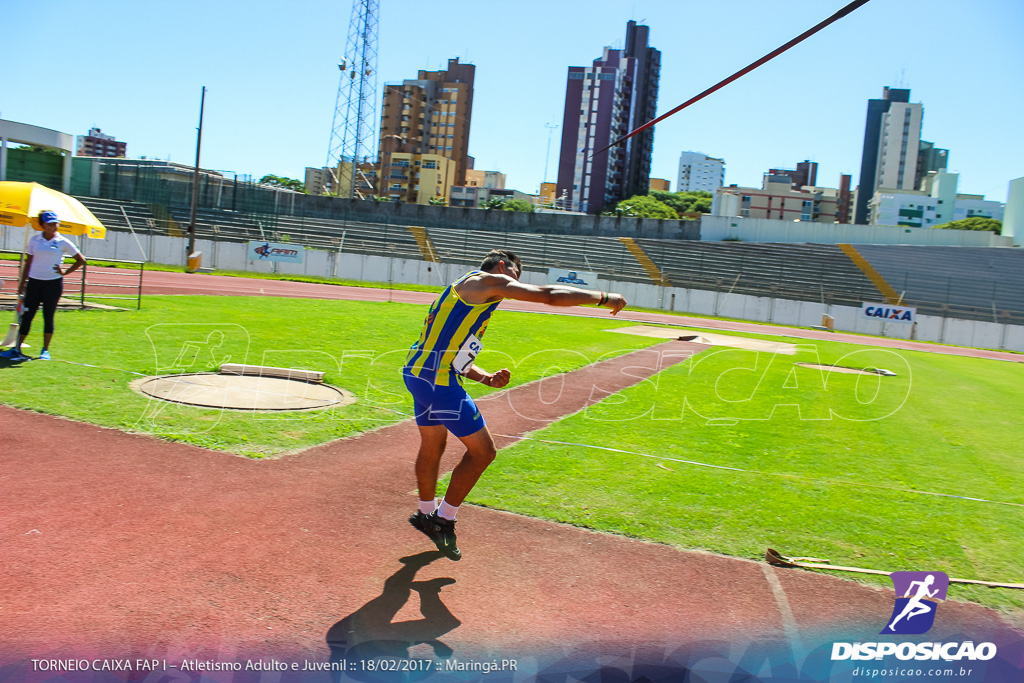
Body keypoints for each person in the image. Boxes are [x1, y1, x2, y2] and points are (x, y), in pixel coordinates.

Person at [403, 249, 626, 560]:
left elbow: (456, 353)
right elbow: (549, 295)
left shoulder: (467, 293)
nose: (514, 287)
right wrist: (603, 297)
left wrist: (486, 378)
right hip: (438, 383)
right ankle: (443, 520)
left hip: (417, 374)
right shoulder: (488, 281)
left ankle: (427, 515)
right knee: (484, 452)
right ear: (503, 267)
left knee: (432, 445)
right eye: (515, 278)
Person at [1, 211, 86, 361]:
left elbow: (81, 260)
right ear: (42, 225)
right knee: (27, 316)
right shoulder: (35, 240)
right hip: (34, 283)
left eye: (55, 223)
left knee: (48, 316)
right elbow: (28, 263)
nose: (52, 226)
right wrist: (22, 283)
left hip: (53, 284)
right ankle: (17, 348)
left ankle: (45, 350)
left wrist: (65, 272)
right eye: (49, 223)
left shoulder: (62, 241)